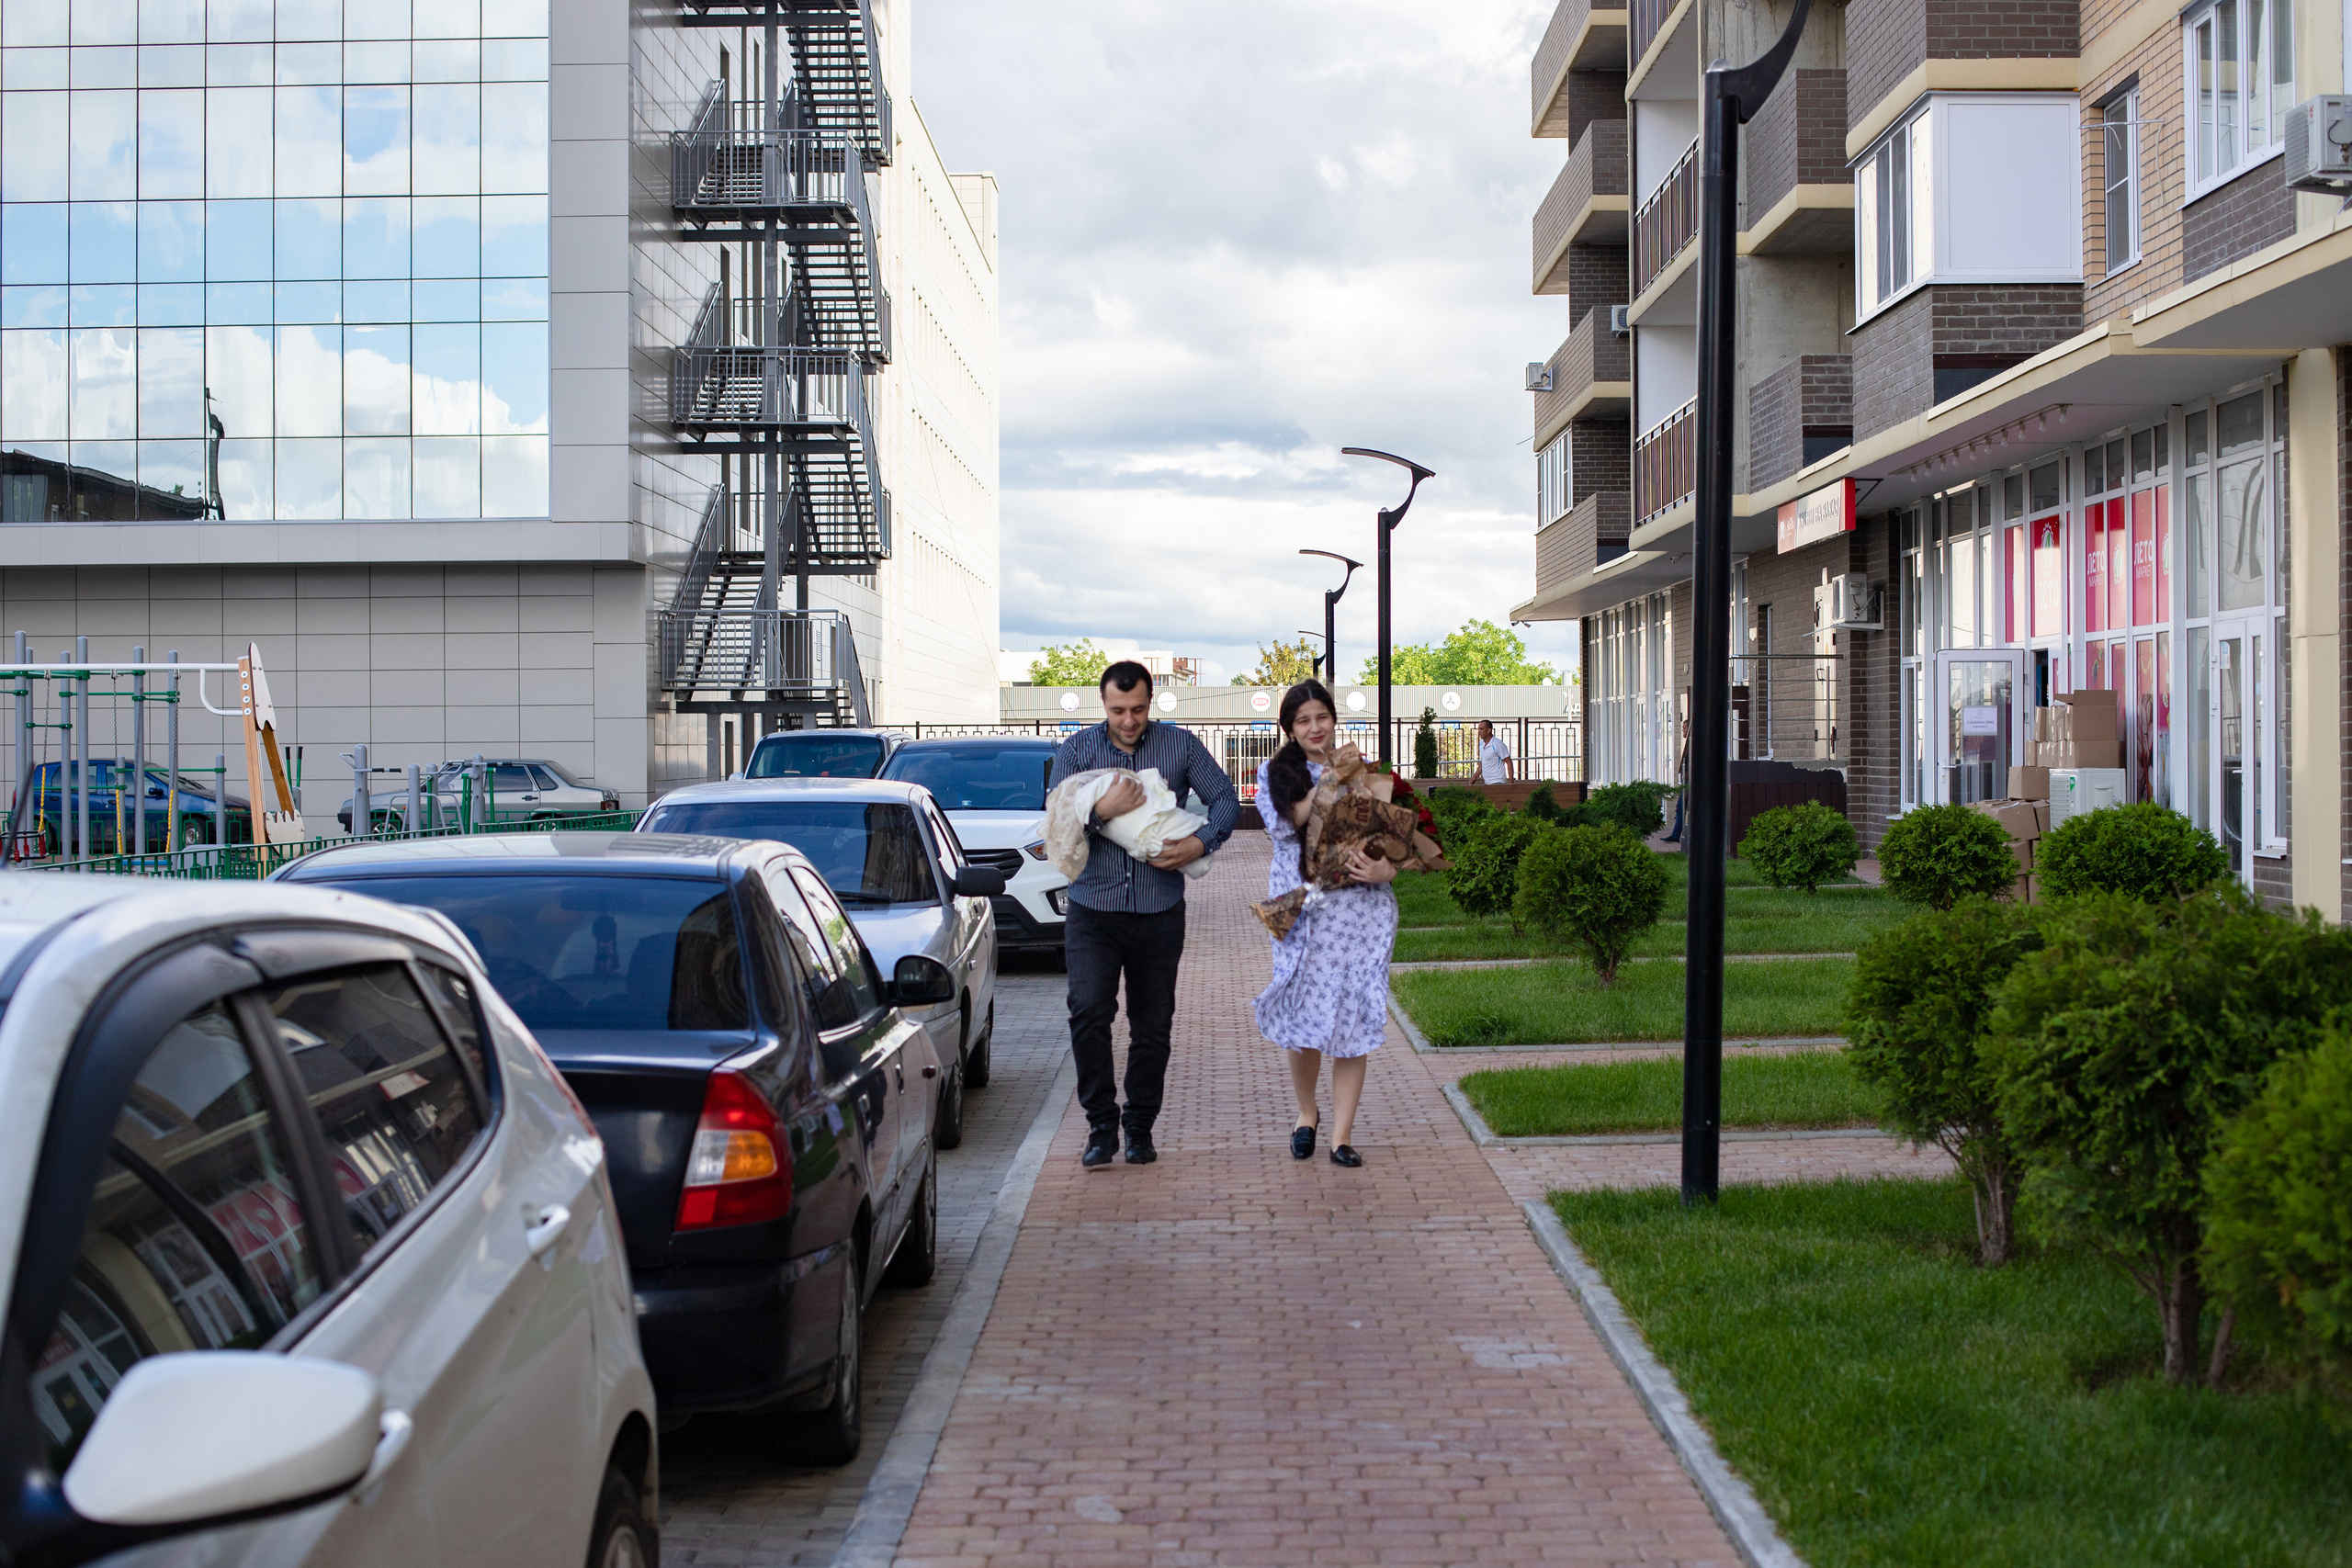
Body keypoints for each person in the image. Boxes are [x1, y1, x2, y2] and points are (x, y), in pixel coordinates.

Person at [1048, 660, 1240, 1168]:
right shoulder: (1077, 751)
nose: (1128, 720)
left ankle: (1139, 1128)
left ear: (1151, 703)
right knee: (1089, 1012)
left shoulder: (1178, 746)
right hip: (1094, 909)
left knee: (1152, 1024)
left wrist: (1199, 841)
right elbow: (1057, 822)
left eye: (1137, 710)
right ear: (1103, 703)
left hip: (1159, 910)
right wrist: (1100, 811)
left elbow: (1225, 797)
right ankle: (1100, 1125)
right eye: (1117, 710)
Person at [1251, 679, 1397, 1168]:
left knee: (1353, 1014)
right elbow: (1289, 822)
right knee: (1305, 1015)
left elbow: (1397, 838)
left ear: (1335, 718)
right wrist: (1334, 778)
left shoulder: (1365, 770)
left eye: (1322, 717)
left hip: (1362, 912)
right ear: (1290, 729)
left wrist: (1387, 869)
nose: (1316, 728)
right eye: (1304, 721)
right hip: (1306, 914)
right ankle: (1306, 1113)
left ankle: (1341, 1136)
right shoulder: (1276, 774)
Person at [1476, 719, 1513, 784]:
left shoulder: (1497, 744)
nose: (1479, 731)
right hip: (1487, 782)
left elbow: (1508, 761)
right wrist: (1474, 777)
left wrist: (1511, 781)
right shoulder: (1481, 744)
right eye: (1479, 729)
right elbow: (1484, 762)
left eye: (1481, 729)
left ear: (1489, 730)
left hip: (1498, 781)